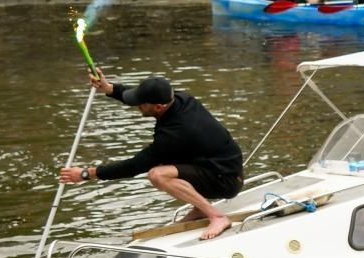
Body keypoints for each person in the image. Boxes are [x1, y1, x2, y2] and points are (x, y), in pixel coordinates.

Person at [58, 72, 244, 241]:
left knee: (158, 174)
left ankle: (216, 217)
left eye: (142, 103)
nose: (137, 105)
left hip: (226, 180)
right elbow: (137, 97)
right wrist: (109, 89)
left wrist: (86, 174)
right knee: (165, 162)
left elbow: (134, 166)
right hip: (215, 166)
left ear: (159, 106)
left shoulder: (175, 134)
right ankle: (199, 209)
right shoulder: (179, 98)